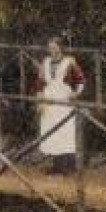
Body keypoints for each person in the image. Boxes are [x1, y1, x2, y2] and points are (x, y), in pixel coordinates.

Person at [33, 36, 85, 173]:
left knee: (65, 131)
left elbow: (81, 80)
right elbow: (39, 83)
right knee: (51, 131)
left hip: (64, 100)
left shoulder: (69, 62)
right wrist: (40, 101)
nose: (53, 50)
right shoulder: (45, 62)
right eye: (50, 48)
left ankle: (67, 167)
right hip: (49, 100)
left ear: (61, 48)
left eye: (55, 47)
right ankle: (56, 166)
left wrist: (76, 93)